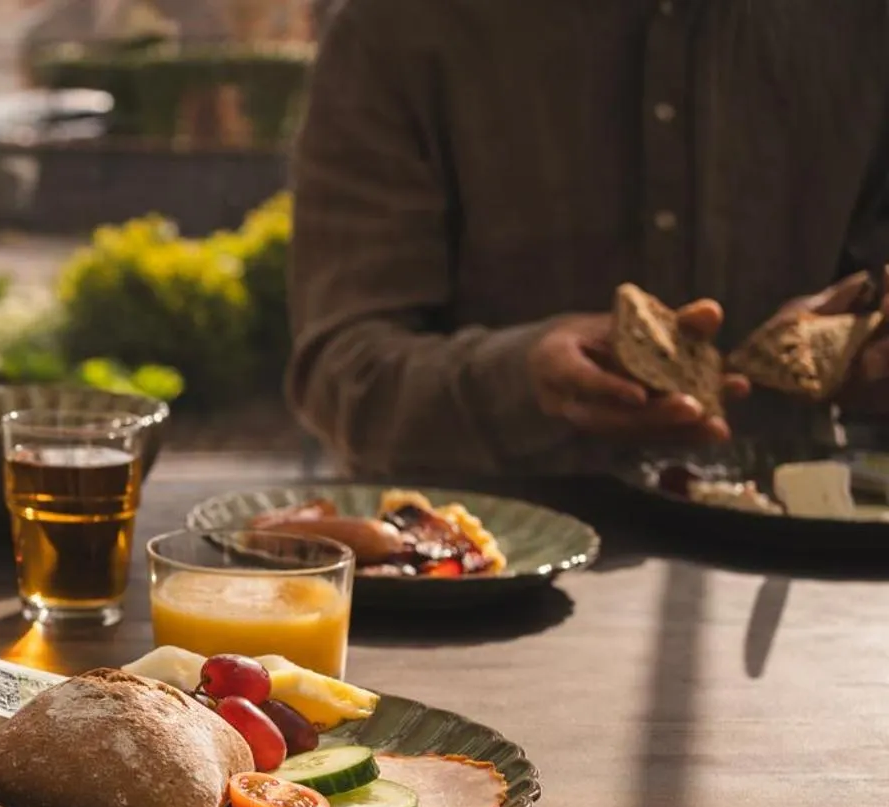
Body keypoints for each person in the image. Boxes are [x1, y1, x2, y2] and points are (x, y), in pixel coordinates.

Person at [287, 0, 889, 476]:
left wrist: (862, 337)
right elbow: (343, 372)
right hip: (485, 589)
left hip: (810, 593)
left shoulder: (859, 23)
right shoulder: (401, 26)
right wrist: (523, 381)